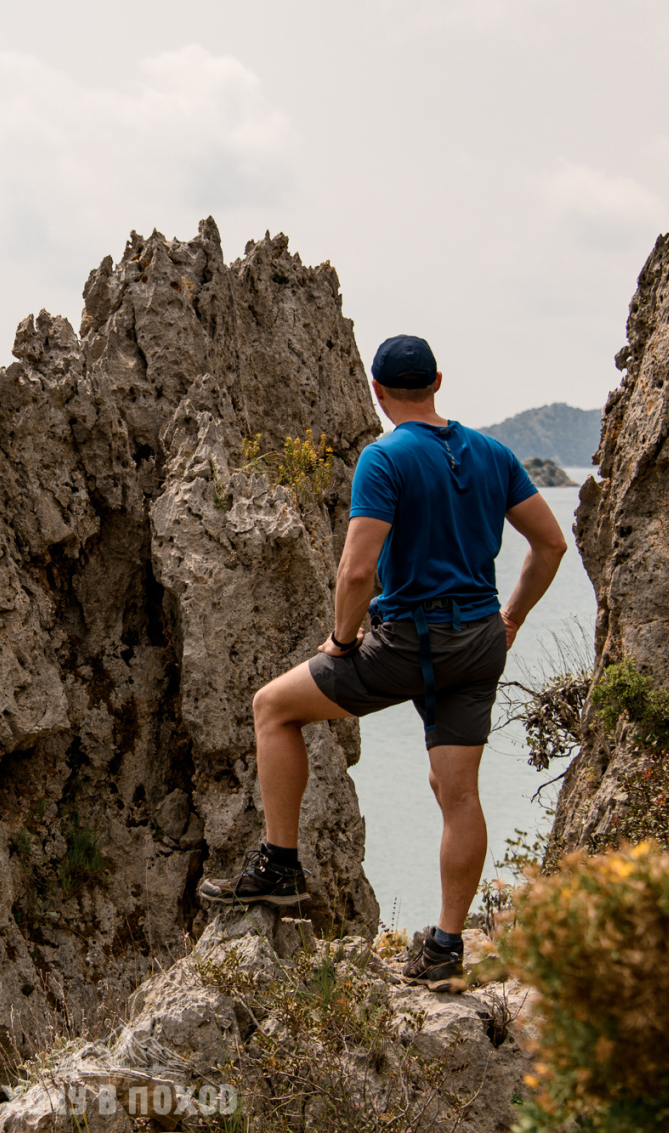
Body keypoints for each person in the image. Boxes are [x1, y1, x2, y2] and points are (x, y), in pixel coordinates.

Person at [197, 333, 568, 991]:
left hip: (409, 642)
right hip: (479, 640)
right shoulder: (493, 453)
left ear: (376, 391)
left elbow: (356, 570)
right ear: (438, 381)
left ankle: (280, 864)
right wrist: (511, 619)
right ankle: (446, 946)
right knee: (457, 792)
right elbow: (551, 543)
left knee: (273, 707)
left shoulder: (384, 457)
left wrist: (342, 641)